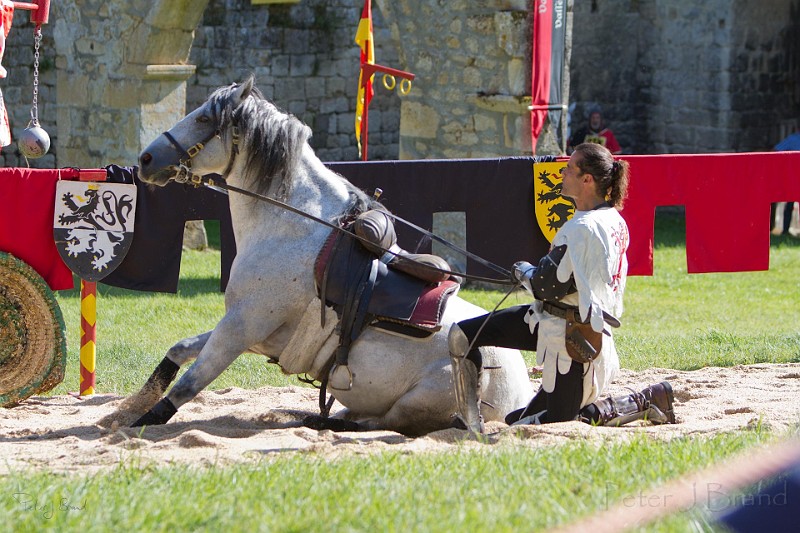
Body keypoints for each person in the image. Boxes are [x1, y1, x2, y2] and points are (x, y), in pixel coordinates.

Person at [449, 143, 675, 432]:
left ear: (587, 180)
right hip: (558, 325)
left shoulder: (582, 228)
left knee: (553, 425)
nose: (562, 174)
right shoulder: (614, 220)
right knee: (465, 339)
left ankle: (644, 400)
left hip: (572, 343)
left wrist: (522, 270)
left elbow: (546, 287)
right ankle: (469, 420)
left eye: (570, 169)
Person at [771, 128, 800, 236]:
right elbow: (774, 152)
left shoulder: (792, 139)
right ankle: (785, 230)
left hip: (793, 176)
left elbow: (774, 151)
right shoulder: (793, 139)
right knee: (789, 204)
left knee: (789, 204)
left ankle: (785, 231)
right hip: (794, 176)